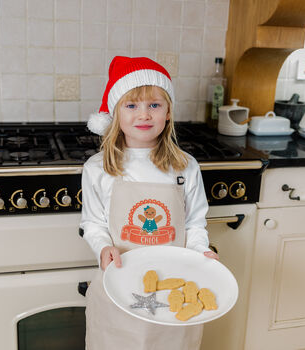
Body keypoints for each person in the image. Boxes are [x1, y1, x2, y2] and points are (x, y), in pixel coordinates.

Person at [80, 56, 219, 350]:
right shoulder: (98, 168)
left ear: (168, 112)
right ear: (115, 113)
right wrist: (103, 248)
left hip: (174, 285)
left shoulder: (185, 166)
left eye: (154, 105)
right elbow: (92, 223)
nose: (144, 115)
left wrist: (201, 252)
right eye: (131, 105)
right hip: (118, 282)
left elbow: (194, 222)